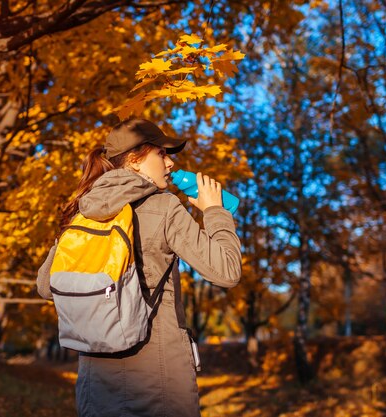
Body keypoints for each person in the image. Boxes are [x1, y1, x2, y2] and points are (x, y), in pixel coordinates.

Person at [36, 118, 242, 417]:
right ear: (135, 160)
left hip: (97, 385)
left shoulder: (83, 210)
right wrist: (214, 211)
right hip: (161, 382)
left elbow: (45, 286)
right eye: (161, 154)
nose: (170, 164)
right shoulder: (164, 207)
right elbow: (227, 271)